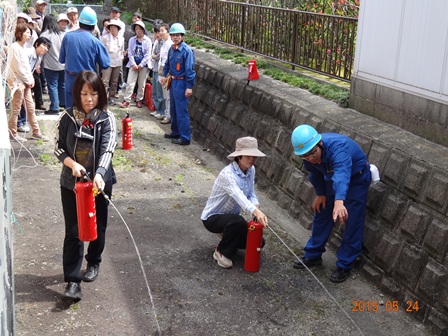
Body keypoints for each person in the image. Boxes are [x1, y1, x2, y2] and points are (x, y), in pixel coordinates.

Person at [54, 70, 117, 301]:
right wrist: (71, 164)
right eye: (84, 94)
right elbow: (58, 148)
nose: (89, 99)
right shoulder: (67, 117)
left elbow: (108, 149)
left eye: (93, 94)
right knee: (73, 231)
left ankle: (94, 261)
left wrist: (100, 174)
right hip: (71, 184)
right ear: (77, 94)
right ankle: (72, 281)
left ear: (100, 94)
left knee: (98, 226)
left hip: (99, 183)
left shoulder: (107, 119)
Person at [290, 124, 371, 283]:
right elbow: (314, 173)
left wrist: (340, 201)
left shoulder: (338, 149)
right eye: (305, 155)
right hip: (330, 176)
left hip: (356, 178)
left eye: (313, 152)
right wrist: (320, 194)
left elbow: (342, 173)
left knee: (350, 218)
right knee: (321, 212)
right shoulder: (308, 156)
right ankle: (313, 255)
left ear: (319, 144)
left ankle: (345, 264)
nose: (311, 158)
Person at [201, 137, 268, 269]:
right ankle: (221, 252)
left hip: (231, 218)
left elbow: (250, 193)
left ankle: (228, 236)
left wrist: (255, 204)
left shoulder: (251, 170)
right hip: (212, 217)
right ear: (239, 156)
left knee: (259, 242)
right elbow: (238, 196)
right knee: (237, 221)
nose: (251, 159)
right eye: (248, 155)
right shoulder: (228, 174)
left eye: (254, 156)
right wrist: (255, 211)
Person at [59, 6, 110, 109]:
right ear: (93, 25)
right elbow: (105, 64)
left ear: (80, 21)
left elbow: (62, 59)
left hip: (70, 79)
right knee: (88, 111)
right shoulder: (95, 42)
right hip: (88, 82)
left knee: (71, 111)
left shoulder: (68, 37)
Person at [6, 24, 49, 142]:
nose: (29, 35)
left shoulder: (24, 48)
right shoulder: (14, 47)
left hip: (25, 82)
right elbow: (18, 67)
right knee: (16, 109)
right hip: (17, 82)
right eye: (27, 32)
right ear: (19, 33)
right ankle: (12, 133)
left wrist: (30, 79)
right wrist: (29, 79)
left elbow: (26, 67)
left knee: (30, 108)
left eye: (30, 33)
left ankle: (36, 132)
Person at [160, 23, 196, 146]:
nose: (175, 37)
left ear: (182, 36)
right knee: (173, 109)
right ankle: (175, 132)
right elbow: (167, 64)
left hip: (182, 82)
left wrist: (189, 87)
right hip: (173, 81)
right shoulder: (172, 49)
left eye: (178, 35)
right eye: (173, 35)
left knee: (181, 111)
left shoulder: (186, 51)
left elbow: (190, 70)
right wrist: (164, 75)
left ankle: (185, 137)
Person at [120, 20, 152, 109]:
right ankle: (127, 100)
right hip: (133, 64)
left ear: (143, 30)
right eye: (136, 29)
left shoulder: (148, 41)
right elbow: (130, 52)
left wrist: (141, 64)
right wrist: (134, 64)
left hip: (144, 65)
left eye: (139, 29)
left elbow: (148, 54)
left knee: (141, 84)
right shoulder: (132, 40)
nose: (138, 31)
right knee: (130, 82)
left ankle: (139, 100)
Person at [40, 14, 66, 115]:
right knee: (62, 85)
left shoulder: (44, 35)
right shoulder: (62, 34)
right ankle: (63, 103)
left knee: (52, 85)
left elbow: (41, 51)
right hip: (63, 64)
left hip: (50, 65)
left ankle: (54, 107)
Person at [100, 19, 124, 106]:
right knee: (105, 81)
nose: (113, 29)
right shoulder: (105, 38)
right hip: (107, 62)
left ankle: (112, 97)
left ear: (118, 29)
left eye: (115, 27)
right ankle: (102, 98)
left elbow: (122, 50)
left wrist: (121, 58)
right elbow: (101, 50)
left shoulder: (121, 38)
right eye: (111, 27)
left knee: (114, 82)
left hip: (117, 62)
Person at [157, 23, 174, 124]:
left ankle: (168, 115)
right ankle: (165, 112)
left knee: (167, 95)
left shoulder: (169, 44)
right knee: (164, 94)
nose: (160, 33)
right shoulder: (164, 43)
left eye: (163, 30)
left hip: (166, 70)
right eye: (160, 31)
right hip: (162, 69)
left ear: (168, 32)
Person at [150, 22, 166, 120]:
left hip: (160, 69)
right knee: (155, 91)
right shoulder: (156, 42)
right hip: (154, 68)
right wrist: (154, 56)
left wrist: (154, 56)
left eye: (158, 32)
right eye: (156, 32)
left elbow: (158, 56)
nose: (157, 35)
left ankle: (161, 111)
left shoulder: (164, 43)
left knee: (160, 92)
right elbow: (153, 55)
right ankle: (157, 109)